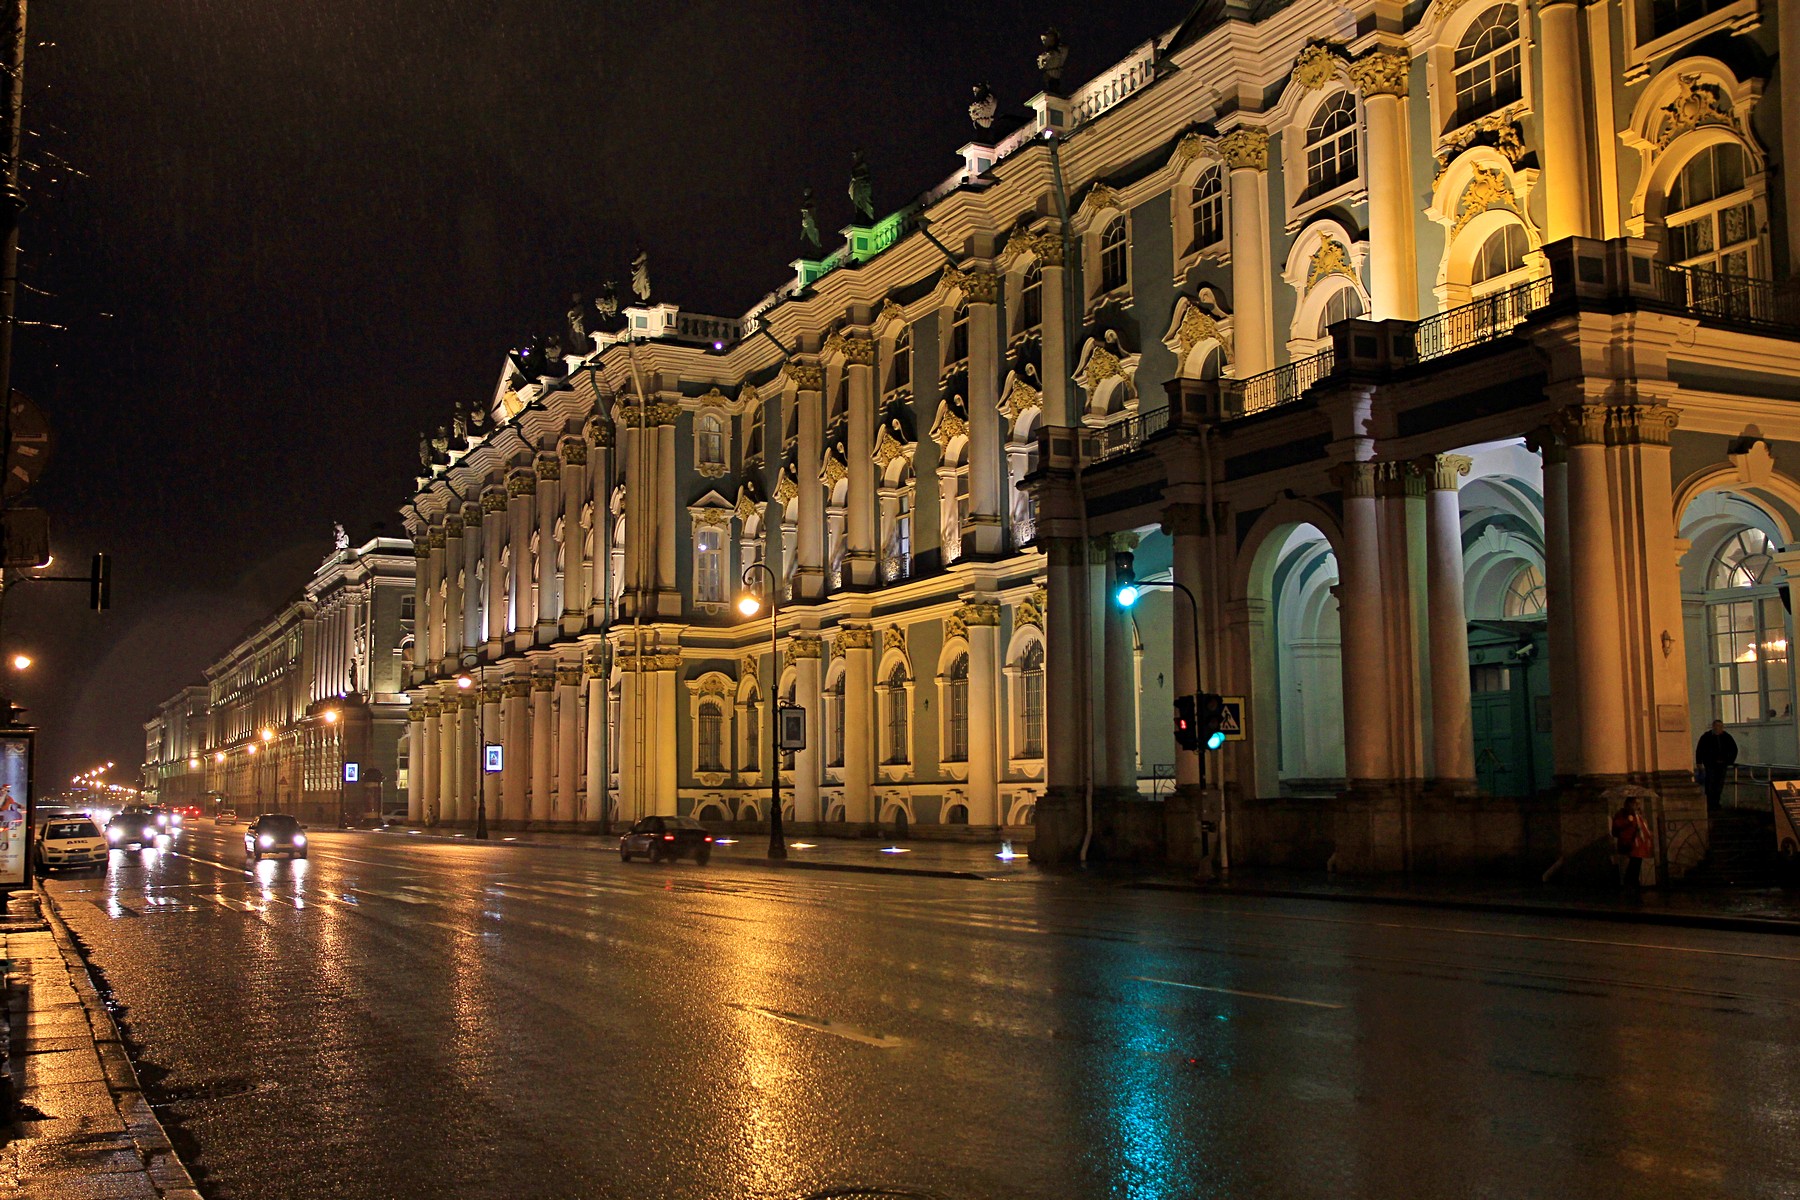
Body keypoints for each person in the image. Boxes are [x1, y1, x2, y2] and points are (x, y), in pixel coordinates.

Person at [1695, 718, 1738, 811]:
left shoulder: (1726, 737)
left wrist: (1729, 761)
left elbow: (1734, 749)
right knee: (1710, 783)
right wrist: (1699, 762)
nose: (1719, 728)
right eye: (1717, 726)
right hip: (1710, 764)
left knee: (1719, 784)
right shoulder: (1706, 737)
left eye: (1720, 727)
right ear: (1713, 727)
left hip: (1722, 764)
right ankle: (1710, 803)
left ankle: (1716, 802)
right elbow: (1700, 750)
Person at [1611, 796, 1653, 888]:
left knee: (1636, 867)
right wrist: (1627, 821)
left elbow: (1642, 828)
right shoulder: (1621, 814)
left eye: (1638, 803)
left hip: (1638, 846)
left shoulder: (1637, 815)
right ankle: (1629, 886)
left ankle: (1634, 885)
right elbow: (1615, 829)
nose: (1637, 806)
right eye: (1635, 803)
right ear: (1629, 804)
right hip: (1627, 844)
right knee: (1630, 868)